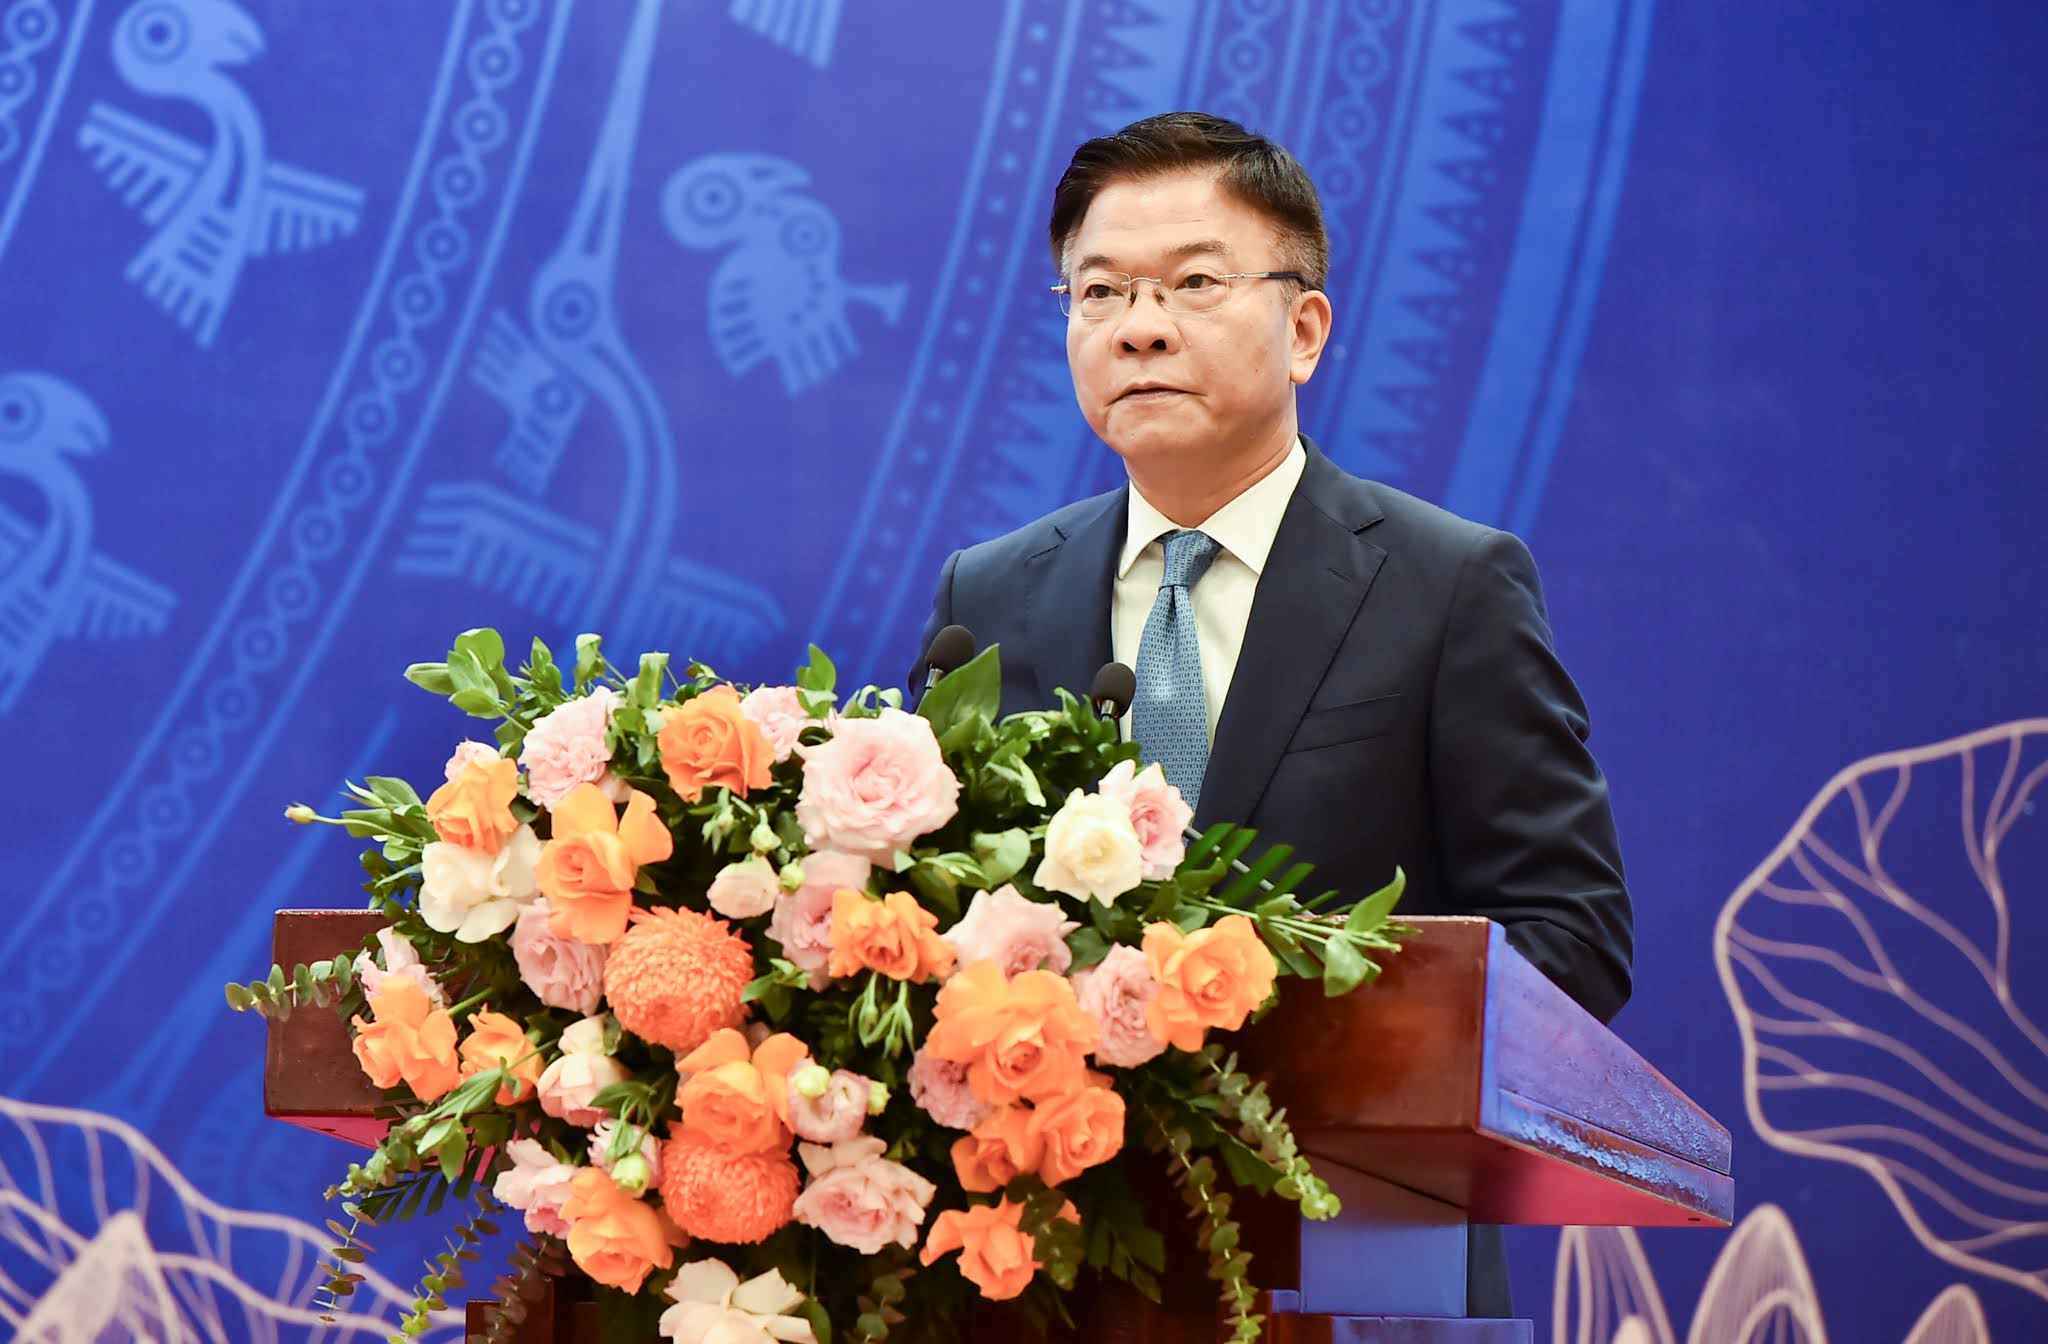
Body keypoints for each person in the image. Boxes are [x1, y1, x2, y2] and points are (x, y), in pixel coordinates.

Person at [913, 111, 1632, 1318]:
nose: (1138, 324)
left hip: (1360, 1253)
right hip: (1052, 1266)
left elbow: (1569, 937)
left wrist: (1267, 1023)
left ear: (1303, 329)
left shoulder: (1446, 585)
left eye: (1192, 282)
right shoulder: (987, 595)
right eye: (1097, 291)